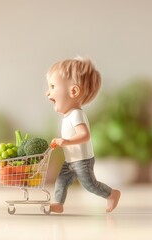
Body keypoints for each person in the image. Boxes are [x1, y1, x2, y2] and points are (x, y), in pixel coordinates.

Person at [45, 57, 121, 213]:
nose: (48, 92)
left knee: (89, 184)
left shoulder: (76, 115)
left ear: (73, 91)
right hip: (70, 160)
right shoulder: (67, 116)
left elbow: (84, 135)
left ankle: (112, 194)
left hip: (82, 160)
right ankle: (58, 203)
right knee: (61, 181)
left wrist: (66, 141)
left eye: (52, 86)